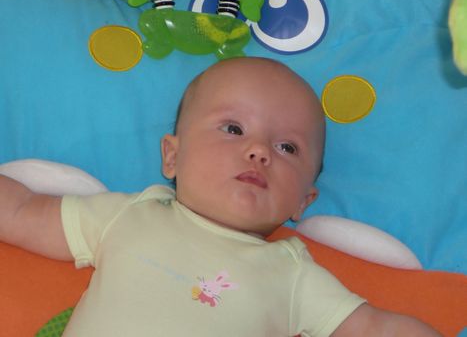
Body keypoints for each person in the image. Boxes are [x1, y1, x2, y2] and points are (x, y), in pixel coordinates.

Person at [0, 57, 440, 336]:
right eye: (233, 129)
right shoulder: (129, 214)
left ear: (303, 202)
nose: (259, 151)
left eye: (287, 148)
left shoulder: (292, 275)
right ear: (172, 156)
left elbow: (371, 327)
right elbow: (21, 211)